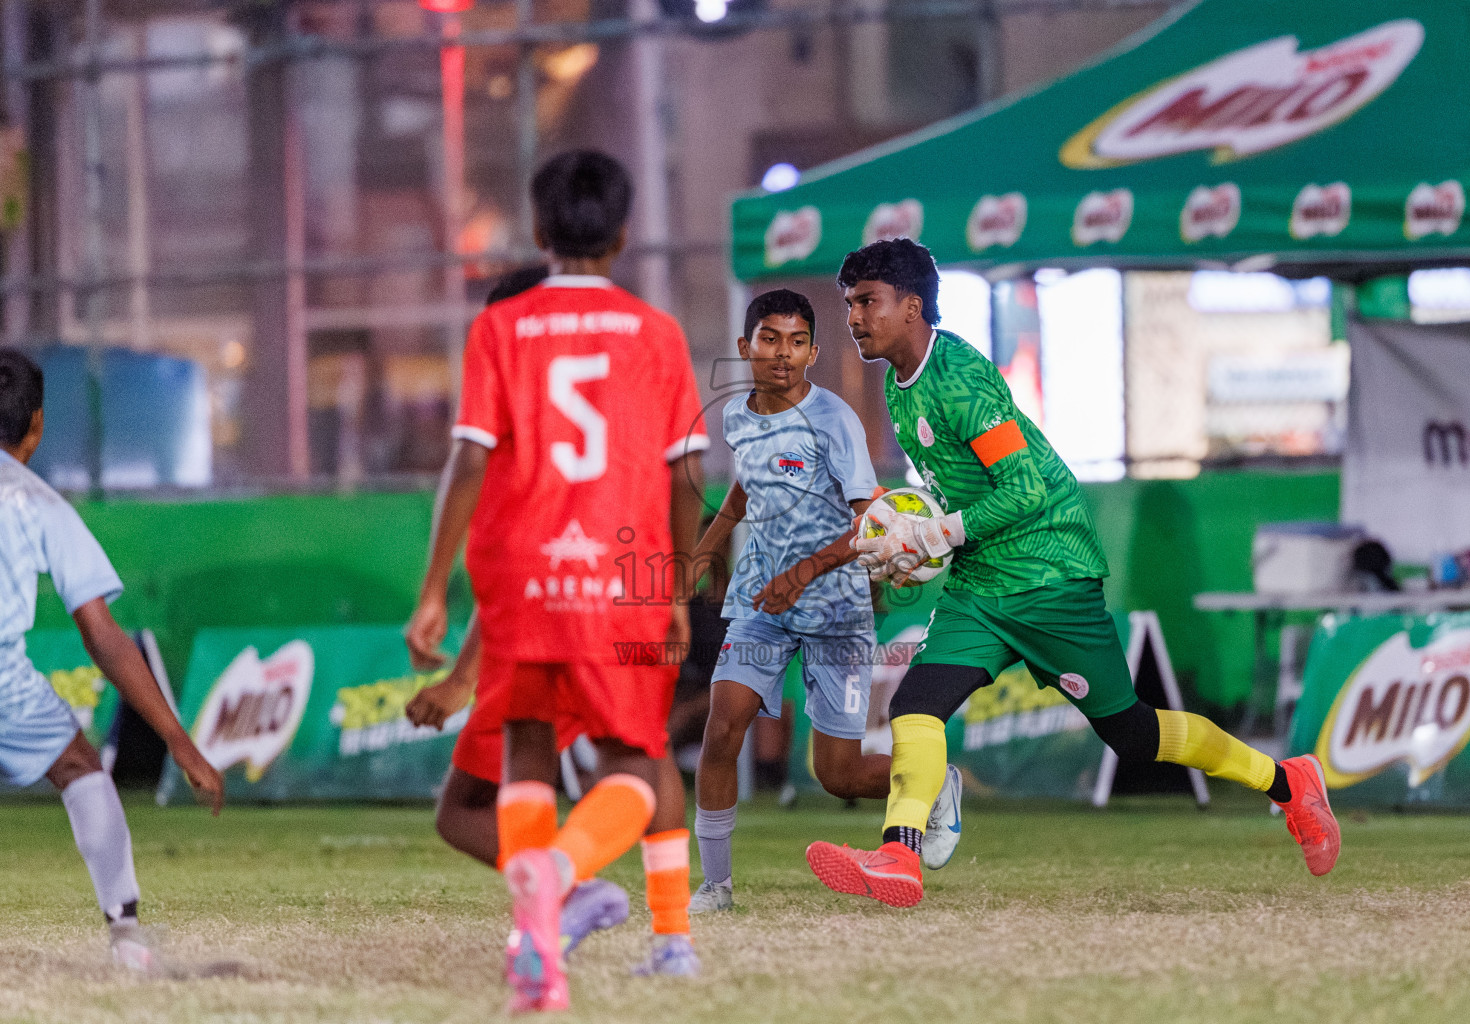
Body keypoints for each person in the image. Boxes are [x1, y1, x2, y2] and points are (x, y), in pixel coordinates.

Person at [805, 239, 1340, 909]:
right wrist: (916, 547)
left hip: (1050, 571)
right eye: (849, 303)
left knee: (1135, 736)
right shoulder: (897, 387)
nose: (853, 317)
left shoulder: (960, 376)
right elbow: (961, 490)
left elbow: (1024, 488)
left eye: (867, 302)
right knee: (916, 705)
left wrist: (936, 532)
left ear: (911, 307)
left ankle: (1289, 782)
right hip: (981, 585)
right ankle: (898, 856)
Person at [404, 150, 709, 1010]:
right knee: (635, 768)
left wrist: (434, 589)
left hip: (520, 576)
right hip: (619, 579)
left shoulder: (499, 329)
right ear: (622, 234)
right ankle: (562, 875)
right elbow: (686, 477)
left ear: (537, 234)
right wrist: (677, 590)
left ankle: (539, 940)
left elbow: (469, 457)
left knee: (527, 750)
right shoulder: (657, 335)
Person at [687, 288, 958, 913]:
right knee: (721, 729)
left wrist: (803, 573)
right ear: (744, 347)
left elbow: (868, 520)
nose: (784, 354)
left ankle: (937, 782)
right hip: (762, 605)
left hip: (835, 608)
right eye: (771, 339)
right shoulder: (735, 416)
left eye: (798, 341)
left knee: (836, 773)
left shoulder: (833, 419)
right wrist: (708, 546)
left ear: (812, 351)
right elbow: (745, 491)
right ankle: (717, 886)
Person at [403, 263, 632, 960]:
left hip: (551, 620)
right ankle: (658, 933)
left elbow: (515, 558)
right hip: (615, 606)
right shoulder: (617, 375)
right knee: (637, 767)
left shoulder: (513, 425)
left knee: (469, 807)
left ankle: (562, 896)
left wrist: (439, 601)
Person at [0, 349, 225, 972]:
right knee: (79, 767)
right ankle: (126, 937)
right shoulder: (38, 502)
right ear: (37, 426)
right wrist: (179, 741)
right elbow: (103, 638)